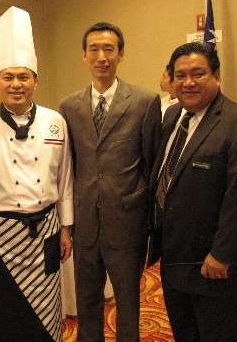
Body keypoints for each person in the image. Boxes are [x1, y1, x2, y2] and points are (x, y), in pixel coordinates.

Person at [148, 42, 237, 341]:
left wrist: (221, 255)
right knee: (185, 333)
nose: (188, 82)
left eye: (198, 73)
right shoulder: (171, 117)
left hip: (215, 267)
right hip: (175, 260)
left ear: (216, 75)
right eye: (180, 75)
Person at [0, 6, 73, 342]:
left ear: (35, 81)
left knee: (47, 310)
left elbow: (65, 178)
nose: (16, 84)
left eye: (24, 76)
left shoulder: (56, 121)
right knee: (3, 315)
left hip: (47, 229)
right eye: (8, 77)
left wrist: (67, 228)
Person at [59, 22, 161, 341]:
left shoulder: (145, 102)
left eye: (109, 49)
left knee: (128, 304)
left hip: (127, 222)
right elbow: (69, 166)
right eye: (94, 49)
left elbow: (152, 164)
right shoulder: (69, 106)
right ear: (84, 56)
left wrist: (149, 222)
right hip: (86, 222)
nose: (101, 56)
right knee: (88, 304)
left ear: (121, 54)